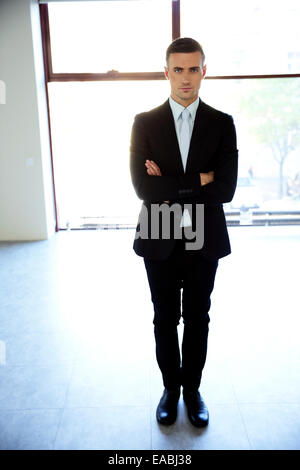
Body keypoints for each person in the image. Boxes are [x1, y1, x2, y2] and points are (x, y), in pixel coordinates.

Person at [130, 37, 238, 427]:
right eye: (178, 69)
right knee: (163, 318)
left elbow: (225, 189)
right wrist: (199, 179)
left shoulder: (222, 124)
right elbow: (144, 190)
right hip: (159, 232)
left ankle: (191, 390)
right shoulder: (144, 123)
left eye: (194, 69)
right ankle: (170, 388)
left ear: (204, 71)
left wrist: (172, 183)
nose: (186, 78)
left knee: (197, 317)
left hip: (203, 233)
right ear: (166, 72)